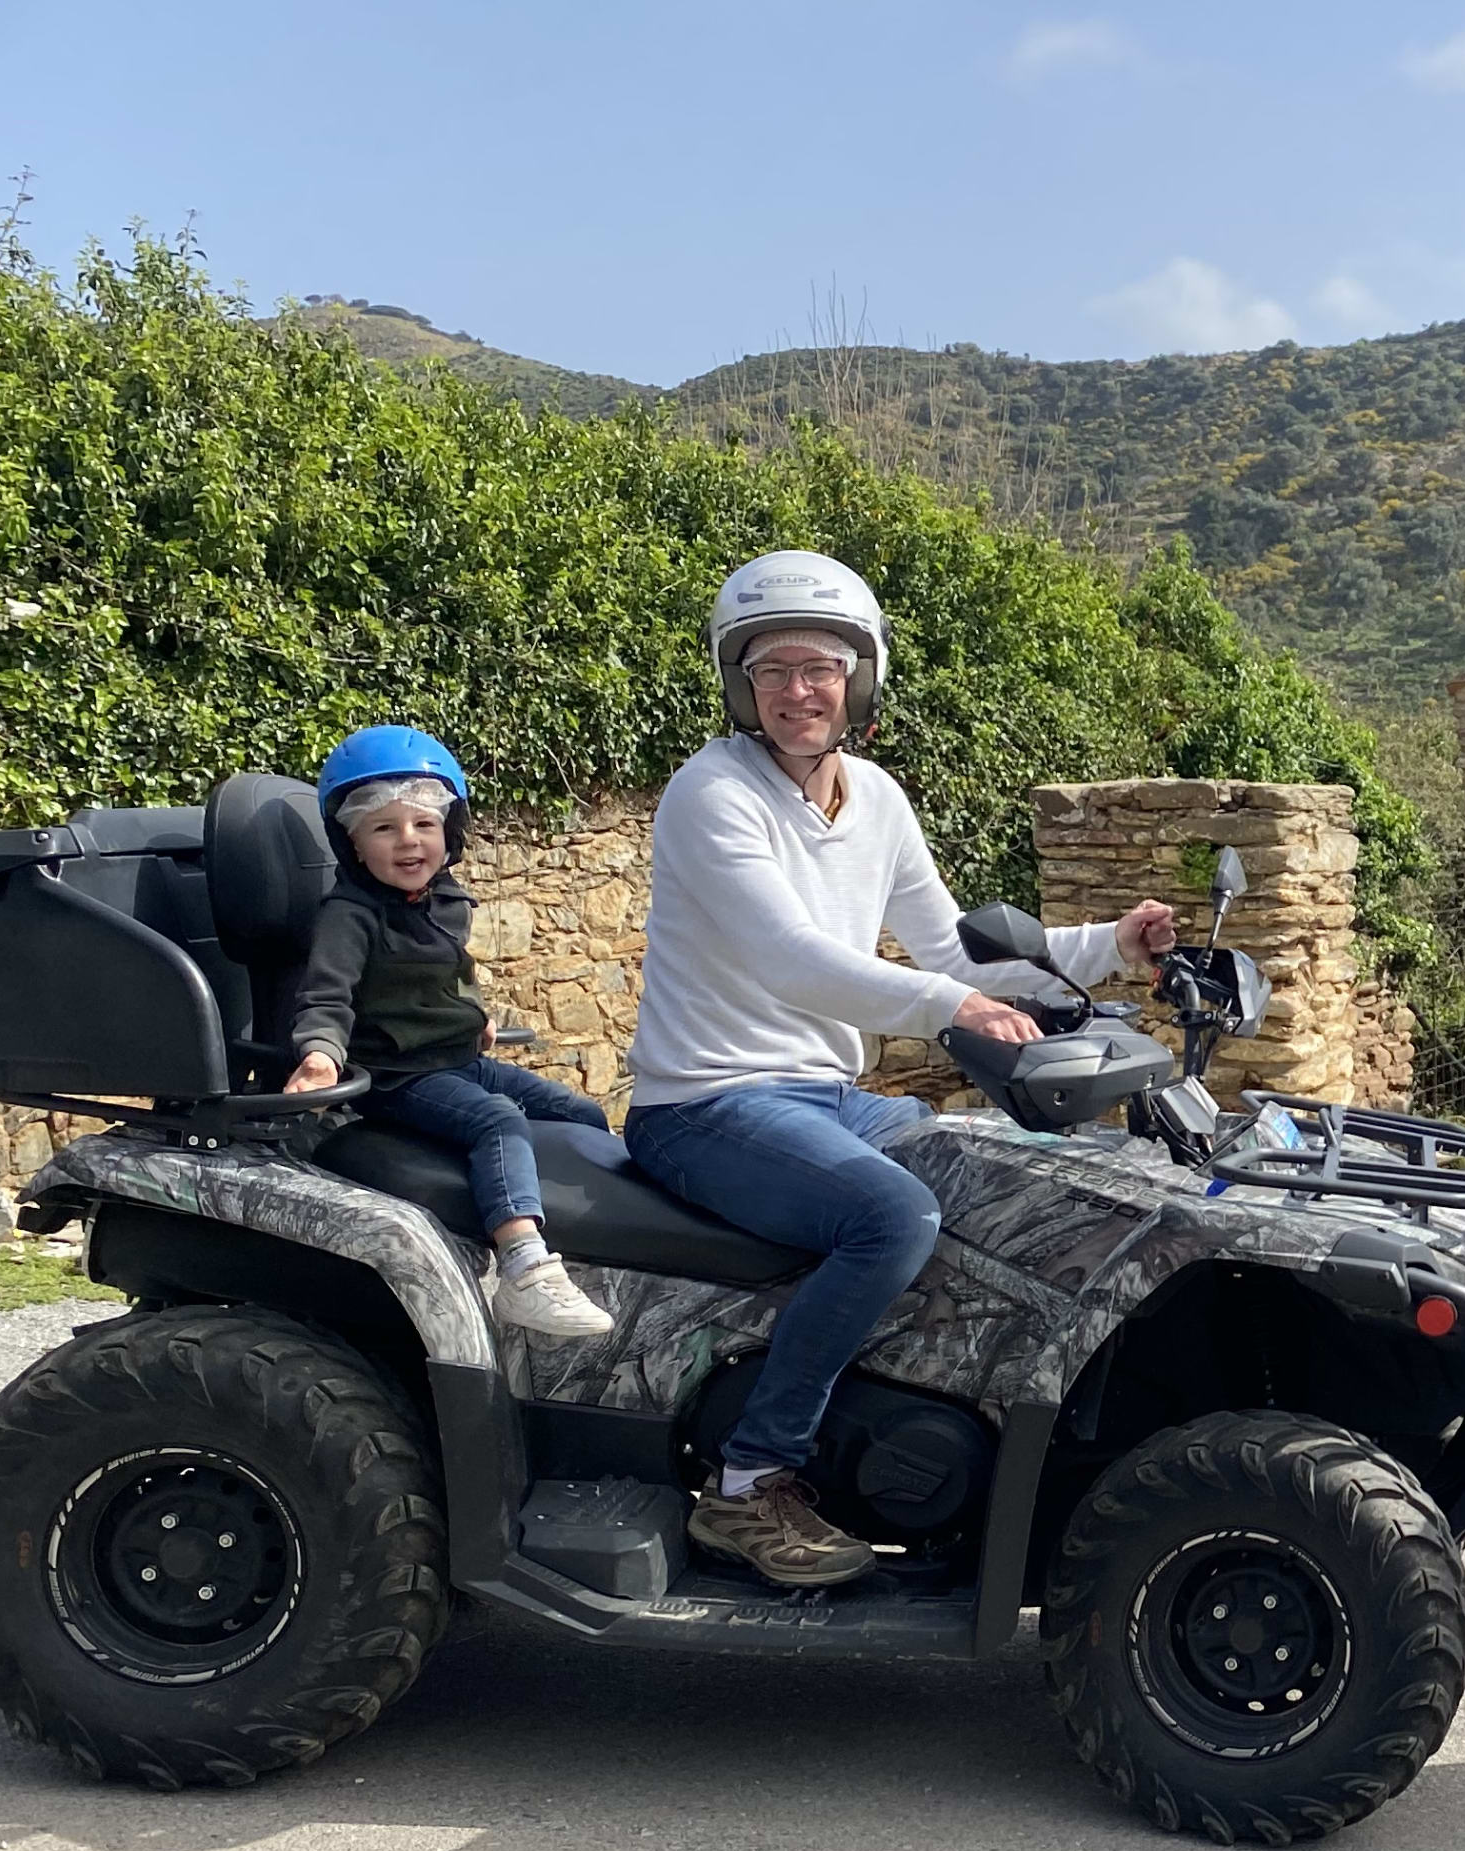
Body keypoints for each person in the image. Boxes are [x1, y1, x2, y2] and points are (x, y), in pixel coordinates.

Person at [621, 551, 1178, 1590]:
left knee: (1005, 1178)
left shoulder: (874, 797)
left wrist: (1112, 948)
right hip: (704, 1102)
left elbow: (957, 948)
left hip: (823, 1097)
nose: (798, 690)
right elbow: (795, 960)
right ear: (740, 685)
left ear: (860, 679)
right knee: (891, 1218)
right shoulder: (712, 794)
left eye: (821, 667)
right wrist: (952, 1011)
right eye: (773, 669)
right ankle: (749, 1485)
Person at [285, 728, 617, 1341]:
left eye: (423, 825)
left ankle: (598, 1253)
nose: (408, 840)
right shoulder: (349, 917)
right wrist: (321, 1056)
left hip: (458, 1056)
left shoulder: (444, 900)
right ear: (354, 846)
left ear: (449, 832)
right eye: (384, 829)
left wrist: (477, 1013)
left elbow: (450, 969)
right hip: (398, 1076)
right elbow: (325, 994)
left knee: (579, 1113)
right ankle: (524, 1270)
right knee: (499, 1121)